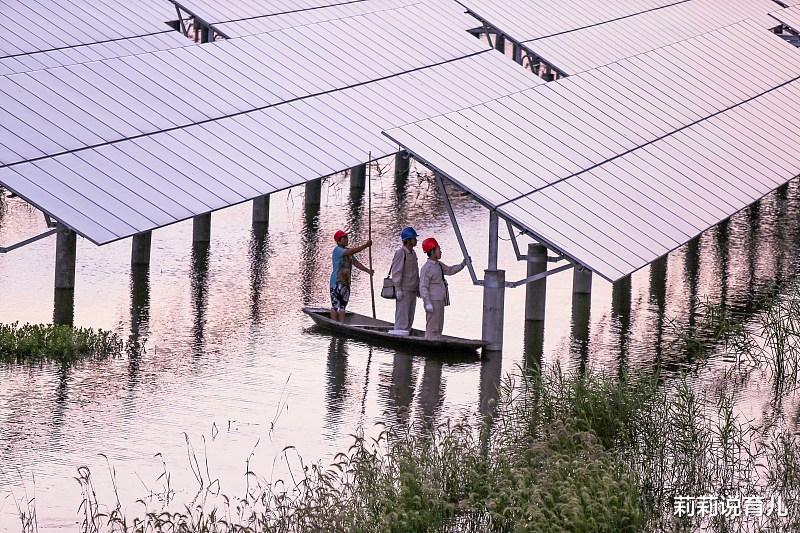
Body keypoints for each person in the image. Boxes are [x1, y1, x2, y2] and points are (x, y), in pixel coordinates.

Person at [419, 238, 468, 339]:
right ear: (432, 251)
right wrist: (427, 302)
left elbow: (450, 270)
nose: (440, 251)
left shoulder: (439, 265)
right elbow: (423, 287)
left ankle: (437, 339)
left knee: (439, 323)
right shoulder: (426, 268)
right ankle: (429, 340)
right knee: (432, 324)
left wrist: (462, 265)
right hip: (432, 300)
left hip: (440, 299)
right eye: (438, 249)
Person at [330, 230, 373, 322]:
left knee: (342, 306)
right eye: (344, 238)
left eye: (346, 238)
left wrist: (368, 271)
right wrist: (366, 245)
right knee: (335, 306)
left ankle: (341, 325)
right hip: (336, 283)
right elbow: (354, 250)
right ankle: (333, 324)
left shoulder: (348, 253)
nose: (346, 239)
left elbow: (356, 263)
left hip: (346, 283)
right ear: (338, 241)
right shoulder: (337, 250)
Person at [389, 227, 420, 333]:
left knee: (410, 317)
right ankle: (399, 334)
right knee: (402, 317)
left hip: (412, 289)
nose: (416, 240)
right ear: (407, 240)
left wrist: (418, 287)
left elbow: (416, 272)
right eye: (414, 238)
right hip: (404, 290)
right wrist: (398, 289)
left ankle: (406, 334)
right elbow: (396, 272)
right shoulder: (400, 253)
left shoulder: (413, 253)